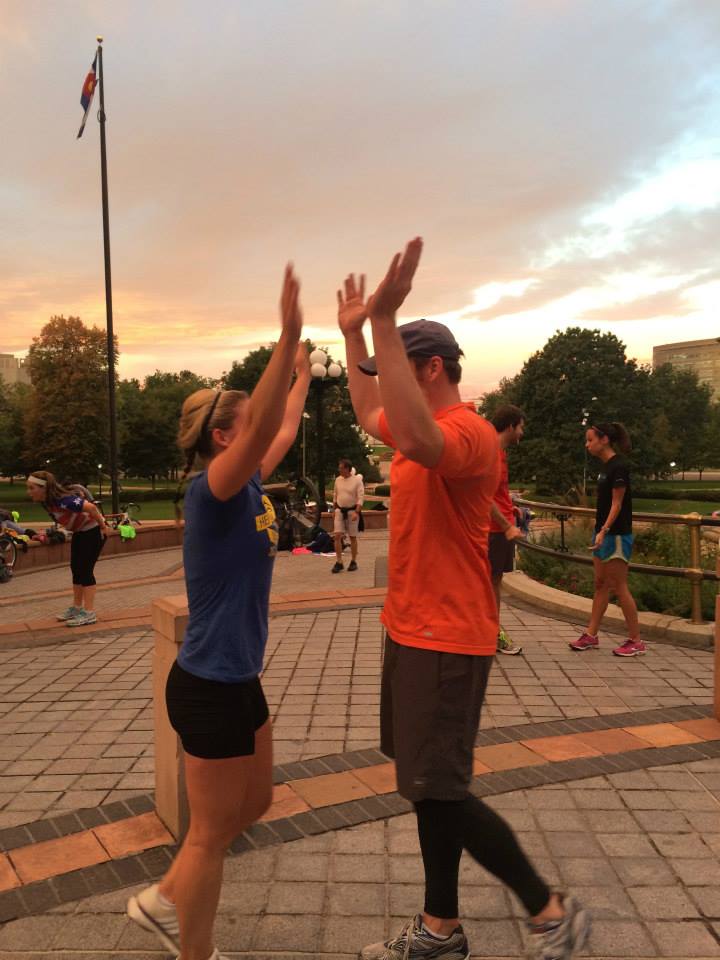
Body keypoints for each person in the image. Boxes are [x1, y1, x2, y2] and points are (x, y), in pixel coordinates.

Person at [337, 238, 590, 960]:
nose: (385, 384)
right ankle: (440, 928)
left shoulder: (470, 434)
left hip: (448, 637)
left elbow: (417, 437)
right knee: (428, 787)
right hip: (411, 629)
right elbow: (371, 413)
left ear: (431, 369)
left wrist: (385, 320)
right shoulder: (419, 425)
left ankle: (550, 912)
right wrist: (356, 335)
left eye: (395, 367)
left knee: (441, 788)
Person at [127, 266, 308, 960]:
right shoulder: (213, 490)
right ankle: (187, 939)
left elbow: (279, 425)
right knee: (208, 835)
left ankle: (166, 903)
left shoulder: (250, 479)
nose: (259, 435)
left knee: (254, 805)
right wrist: (285, 335)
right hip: (207, 683)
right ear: (226, 437)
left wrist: (300, 373)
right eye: (247, 428)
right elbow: (265, 426)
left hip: (237, 677)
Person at [570, 421, 645, 657]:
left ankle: (636, 640)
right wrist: (600, 531)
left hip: (617, 535)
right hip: (603, 533)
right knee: (600, 584)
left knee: (619, 587)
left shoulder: (619, 467)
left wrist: (604, 530)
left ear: (604, 440)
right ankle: (591, 635)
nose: (587, 444)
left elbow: (617, 504)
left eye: (590, 439)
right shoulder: (606, 467)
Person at [25, 471, 110, 626]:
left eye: (32, 488)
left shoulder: (63, 500)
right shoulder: (48, 502)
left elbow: (91, 507)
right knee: (76, 569)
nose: (28, 492)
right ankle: (77, 608)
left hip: (93, 532)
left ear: (44, 488)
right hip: (80, 533)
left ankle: (89, 613)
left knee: (85, 571)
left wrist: (103, 527)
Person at [489, 404, 526, 655]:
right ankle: (492, 634)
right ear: (511, 426)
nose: (522, 432)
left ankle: (490, 633)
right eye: (521, 427)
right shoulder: (491, 452)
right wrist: (506, 525)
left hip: (501, 527)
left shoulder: (499, 452)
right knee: (490, 584)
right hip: (494, 530)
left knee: (495, 582)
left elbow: (496, 491)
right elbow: (482, 494)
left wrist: (509, 507)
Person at [331, 458, 364, 573]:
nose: (339, 470)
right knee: (337, 536)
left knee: (352, 537)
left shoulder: (357, 481)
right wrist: (334, 510)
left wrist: (356, 512)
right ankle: (339, 561)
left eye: (341, 468)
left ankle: (353, 561)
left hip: (352, 511)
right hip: (339, 511)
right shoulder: (338, 480)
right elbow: (335, 495)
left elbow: (360, 498)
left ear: (347, 469)